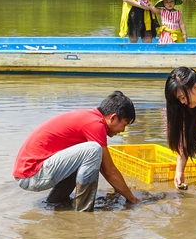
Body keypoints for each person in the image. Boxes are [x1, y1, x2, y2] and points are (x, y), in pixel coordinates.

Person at [12, 91, 141, 212]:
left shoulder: (90, 118)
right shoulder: (96, 125)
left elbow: (103, 167)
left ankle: (55, 201)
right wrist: (133, 199)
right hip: (32, 175)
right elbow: (109, 170)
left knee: (87, 153)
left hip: (30, 172)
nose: (123, 130)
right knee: (93, 150)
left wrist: (118, 190)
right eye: (124, 124)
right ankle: (84, 211)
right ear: (113, 118)